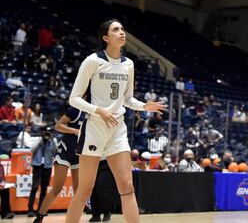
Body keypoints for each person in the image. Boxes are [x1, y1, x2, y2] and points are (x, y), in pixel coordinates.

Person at [64, 19, 167, 223]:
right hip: (94, 127)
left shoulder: (128, 64)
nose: (122, 32)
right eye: (116, 29)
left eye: (122, 29)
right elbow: (74, 98)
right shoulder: (93, 61)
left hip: (118, 129)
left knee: (127, 188)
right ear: (105, 37)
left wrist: (144, 106)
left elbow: (127, 99)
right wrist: (99, 111)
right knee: (84, 190)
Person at [33, 106, 85, 223]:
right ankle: (39, 218)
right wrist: (76, 131)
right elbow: (58, 125)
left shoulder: (93, 115)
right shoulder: (76, 110)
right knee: (57, 188)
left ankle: (73, 219)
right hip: (65, 151)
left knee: (78, 192)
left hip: (78, 153)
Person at [28, 127, 58, 217]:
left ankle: (41, 210)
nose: (46, 135)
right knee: (35, 187)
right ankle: (30, 209)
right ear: (42, 133)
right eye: (45, 132)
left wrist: (52, 140)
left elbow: (55, 152)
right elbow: (32, 150)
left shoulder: (52, 141)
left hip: (47, 166)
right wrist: (40, 141)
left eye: (48, 133)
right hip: (37, 166)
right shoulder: (37, 139)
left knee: (44, 189)